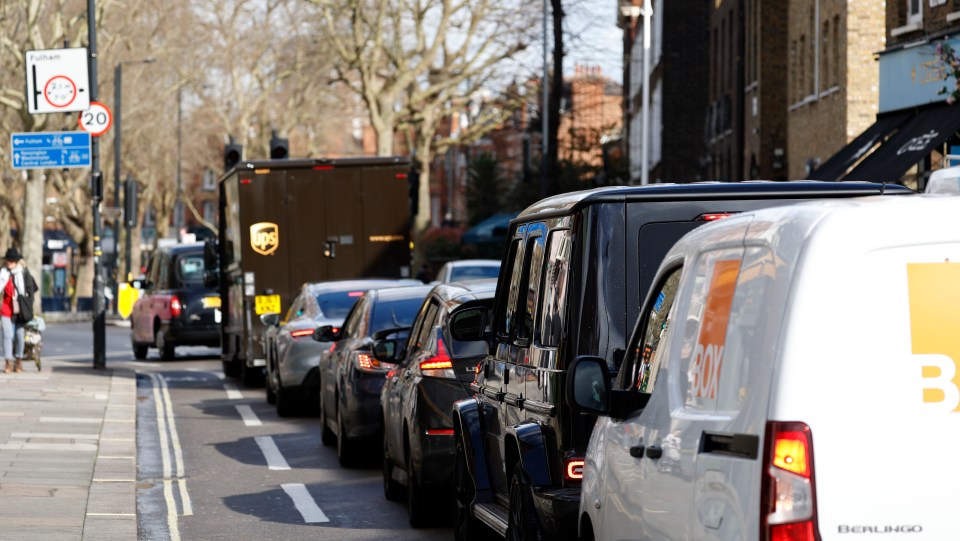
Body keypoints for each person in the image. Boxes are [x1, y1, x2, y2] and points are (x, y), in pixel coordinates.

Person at [0, 247, 38, 374]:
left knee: (19, 337)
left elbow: (32, 289)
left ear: (16, 261)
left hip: (20, 310)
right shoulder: (3, 274)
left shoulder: (23, 273)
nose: (9, 263)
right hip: (6, 309)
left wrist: (27, 301)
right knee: (7, 335)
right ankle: (8, 362)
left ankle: (19, 361)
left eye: (12, 261)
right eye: (8, 261)